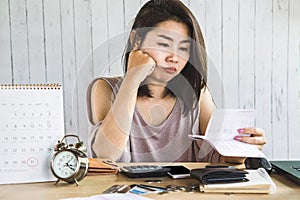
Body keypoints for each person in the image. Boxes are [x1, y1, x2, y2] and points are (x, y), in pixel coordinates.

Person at [87, 0, 266, 163]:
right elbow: (105, 156)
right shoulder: (105, 89)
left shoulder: (196, 93)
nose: (174, 57)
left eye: (183, 48)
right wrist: (132, 79)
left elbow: (219, 158)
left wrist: (241, 150)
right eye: (164, 45)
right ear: (136, 40)